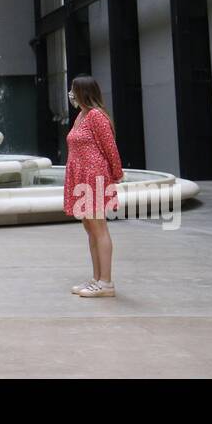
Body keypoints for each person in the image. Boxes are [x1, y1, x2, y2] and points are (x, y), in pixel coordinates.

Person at [63, 75, 125, 298]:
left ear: (82, 92)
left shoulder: (97, 116)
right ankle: (97, 279)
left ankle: (106, 283)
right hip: (81, 176)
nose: (70, 93)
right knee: (90, 227)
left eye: (73, 89)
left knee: (98, 227)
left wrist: (116, 174)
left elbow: (110, 147)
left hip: (93, 176)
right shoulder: (81, 116)